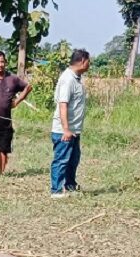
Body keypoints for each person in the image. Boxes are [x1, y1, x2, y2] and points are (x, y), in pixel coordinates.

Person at [49, 49, 90, 199]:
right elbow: (63, 105)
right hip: (64, 131)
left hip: (74, 130)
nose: (89, 65)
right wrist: (66, 129)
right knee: (61, 160)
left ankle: (70, 185)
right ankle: (56, 190)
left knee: (73, 160)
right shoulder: (68, 79)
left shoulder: (76, 79)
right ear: (83, 61)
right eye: (89, 62)